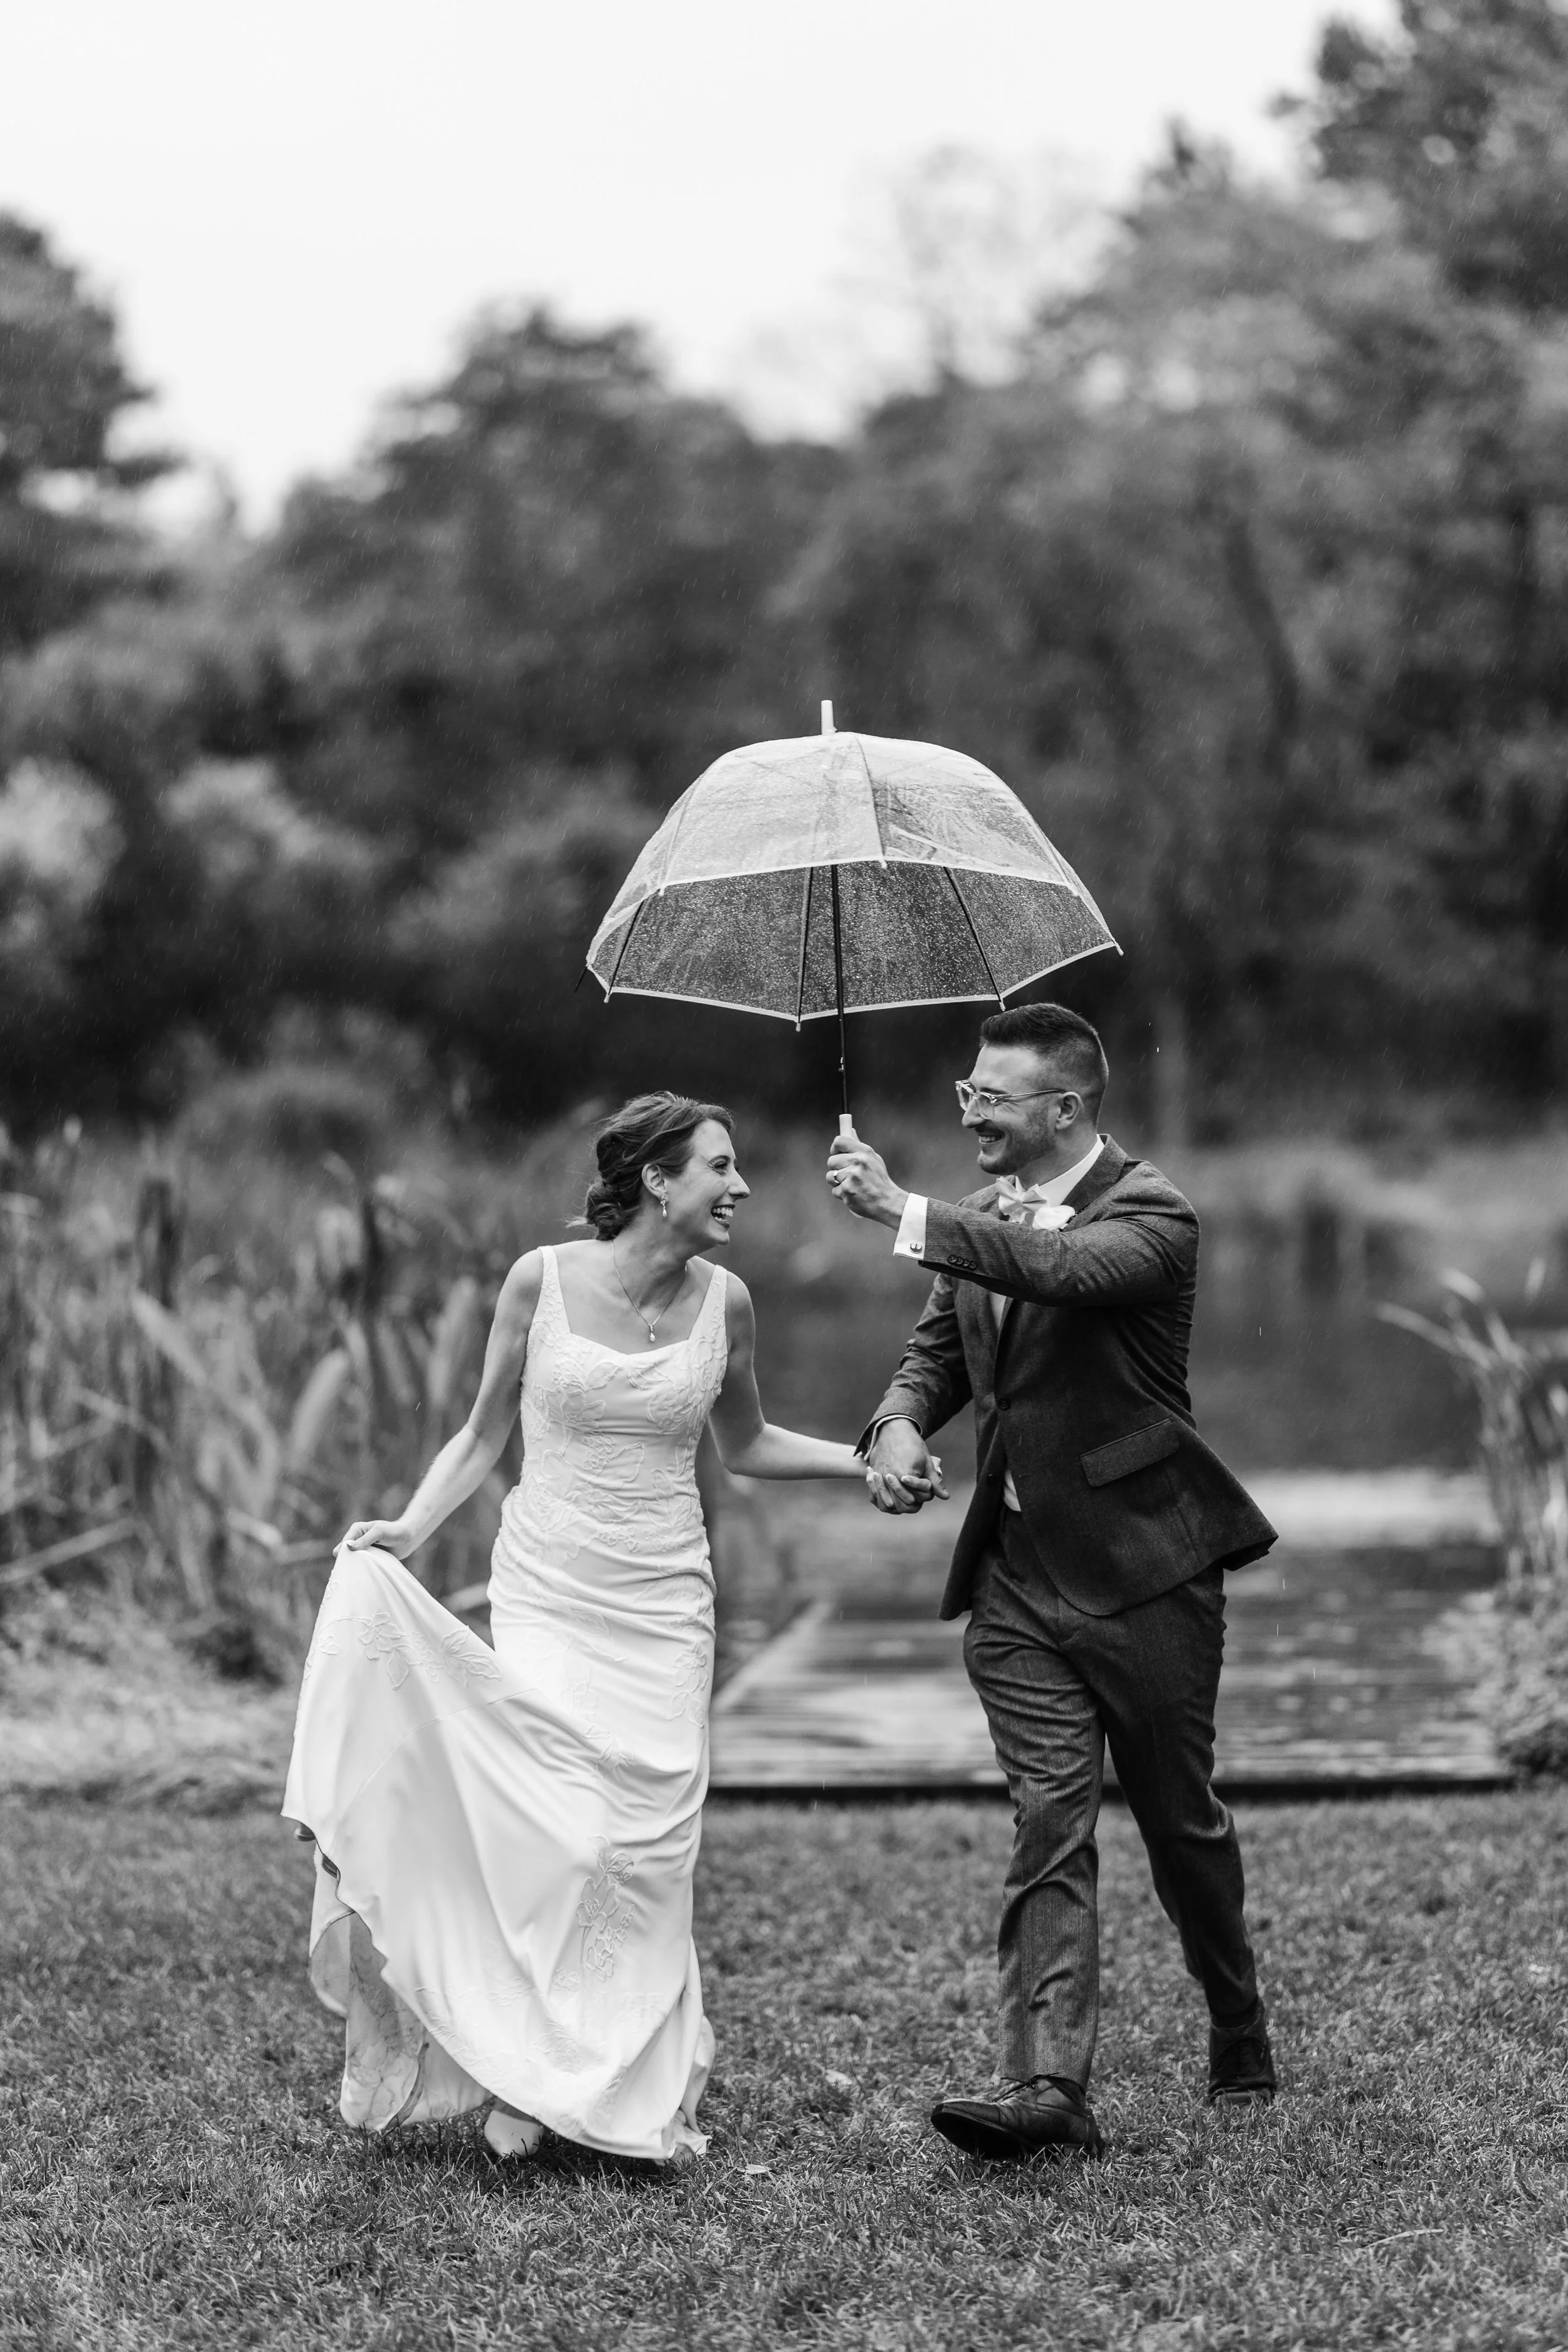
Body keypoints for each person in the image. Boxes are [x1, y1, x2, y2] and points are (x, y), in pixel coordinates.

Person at [284, 1092, 867, 2167]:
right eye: (720, 1167)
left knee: (646, 1855)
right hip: (551, 1587)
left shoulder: (728, 1302)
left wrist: (863, 1460)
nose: (740, 1187)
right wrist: (410, 1529)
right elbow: (479, 1433)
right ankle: (529, 2068)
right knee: (560, 1833)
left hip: (665, 1605)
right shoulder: (540, 1281)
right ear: (658, 1179)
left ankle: (595, 2084)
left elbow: (746, 1444)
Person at [826, 1003, 1279, 2163]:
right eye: (968, 1092)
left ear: (1066, 1108)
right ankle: (1047, 2088)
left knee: (1182, 1823)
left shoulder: (1154, 1214)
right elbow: (938, 1354)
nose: (969, 1110)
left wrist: (907, 1212)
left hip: (1148, 1568)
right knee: (1049, 1818)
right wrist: (894, 1427)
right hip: (1019, 1579)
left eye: (995, 1096)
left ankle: (1237, 2019)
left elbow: (1065, 1270)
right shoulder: (975, 1222)